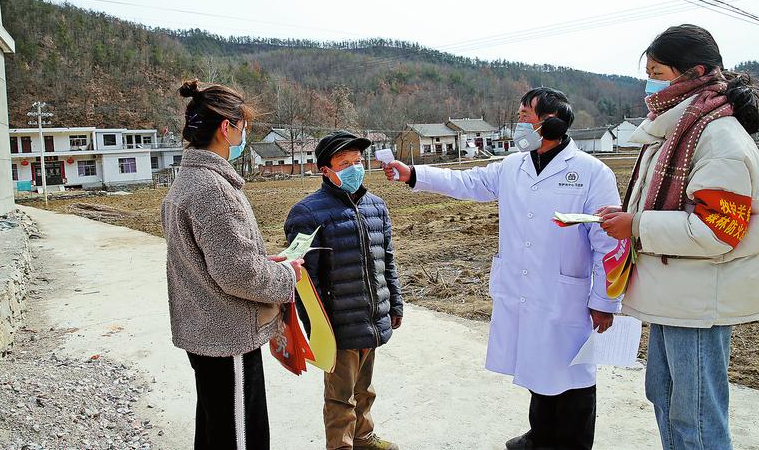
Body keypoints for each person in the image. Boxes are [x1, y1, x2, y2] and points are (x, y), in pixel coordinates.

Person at [384, 88, 621, 450]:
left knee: (572, 374)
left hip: (565, 292)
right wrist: (413, 174)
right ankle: (539, 436)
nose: (519, 122)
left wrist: (604, 300)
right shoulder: (514, 165)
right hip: (523, 287)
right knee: (536, 364)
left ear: (550, 123)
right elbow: (468, 182)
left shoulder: (592, 173)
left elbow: (609, 242)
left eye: (526, 116)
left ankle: (571, 443)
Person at [599, 24, 759, 450]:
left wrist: (636, 226)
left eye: (658, 73)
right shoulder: (679, 130)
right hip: (674, 294)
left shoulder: (718, 138)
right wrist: (629, 217)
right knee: (666, 396)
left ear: (696, 73)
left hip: (698, 300)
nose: (651, 86)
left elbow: (717, 230)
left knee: (696, 416)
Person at [161, 79, 304, 450]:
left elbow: (217, 260)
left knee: (215, 428)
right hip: (228, 336)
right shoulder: (214, 190)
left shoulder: (187, 181)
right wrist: (285, 275)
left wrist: (259, 262)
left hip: (205, 330)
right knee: (240, 435)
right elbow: (239, 274)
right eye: (243, 126)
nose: (245, 134)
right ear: (227, 128)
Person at [284, 130, 403, 450]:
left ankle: (363, 437)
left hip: (372, 316)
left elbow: (387, 260)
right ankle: (341, 445)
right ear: (326, 171)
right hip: (337, 324)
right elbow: (305, 280)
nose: (354, 168)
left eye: (357, 161)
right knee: (340, 397)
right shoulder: (307, 213)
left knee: (365, 389)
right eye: (344, 163)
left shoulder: (376, 207)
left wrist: (395, 303)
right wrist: (317, 328)